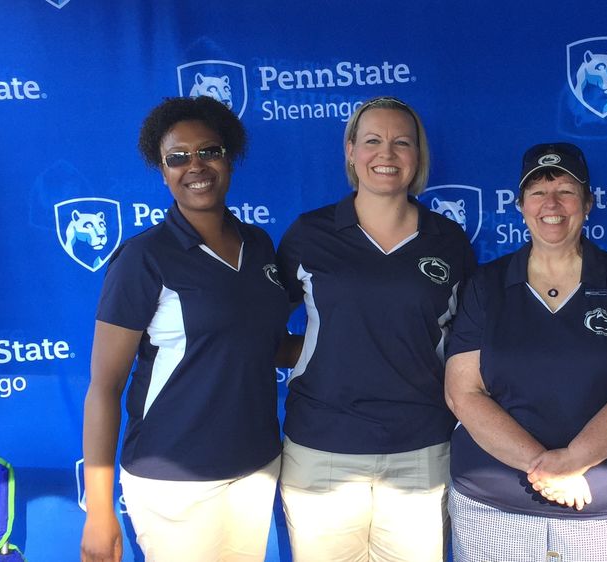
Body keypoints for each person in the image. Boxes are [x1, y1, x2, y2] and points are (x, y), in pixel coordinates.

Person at [80, 96, 290, 562]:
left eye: (209, 151)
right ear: (162, 171)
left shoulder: (257, 245)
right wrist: (98, 511)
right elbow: (104, 386)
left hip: (255, 467)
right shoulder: (144, 257)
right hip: (173, 483)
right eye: (177, 158)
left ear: (228, 157)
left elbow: (262, 346)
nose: (195, 166)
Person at [444, 142, 607, 562]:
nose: (552, 204)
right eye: (537, 192)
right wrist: (548, 467)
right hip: (493, 503)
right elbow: (463, 393)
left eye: (566, 190)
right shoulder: (487, 285)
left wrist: (575, 461)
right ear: (521, 205)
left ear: (588, 203)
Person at [276, 96, 476, 562]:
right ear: (350, 151)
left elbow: (469, 348)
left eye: (401, 143)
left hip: (420, 450)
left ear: (418, 157)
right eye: (372, 141)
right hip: (322, 448)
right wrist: (322, 353)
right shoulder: (310, 234)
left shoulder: (448, 241)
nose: (386, 154)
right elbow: (256, 326)